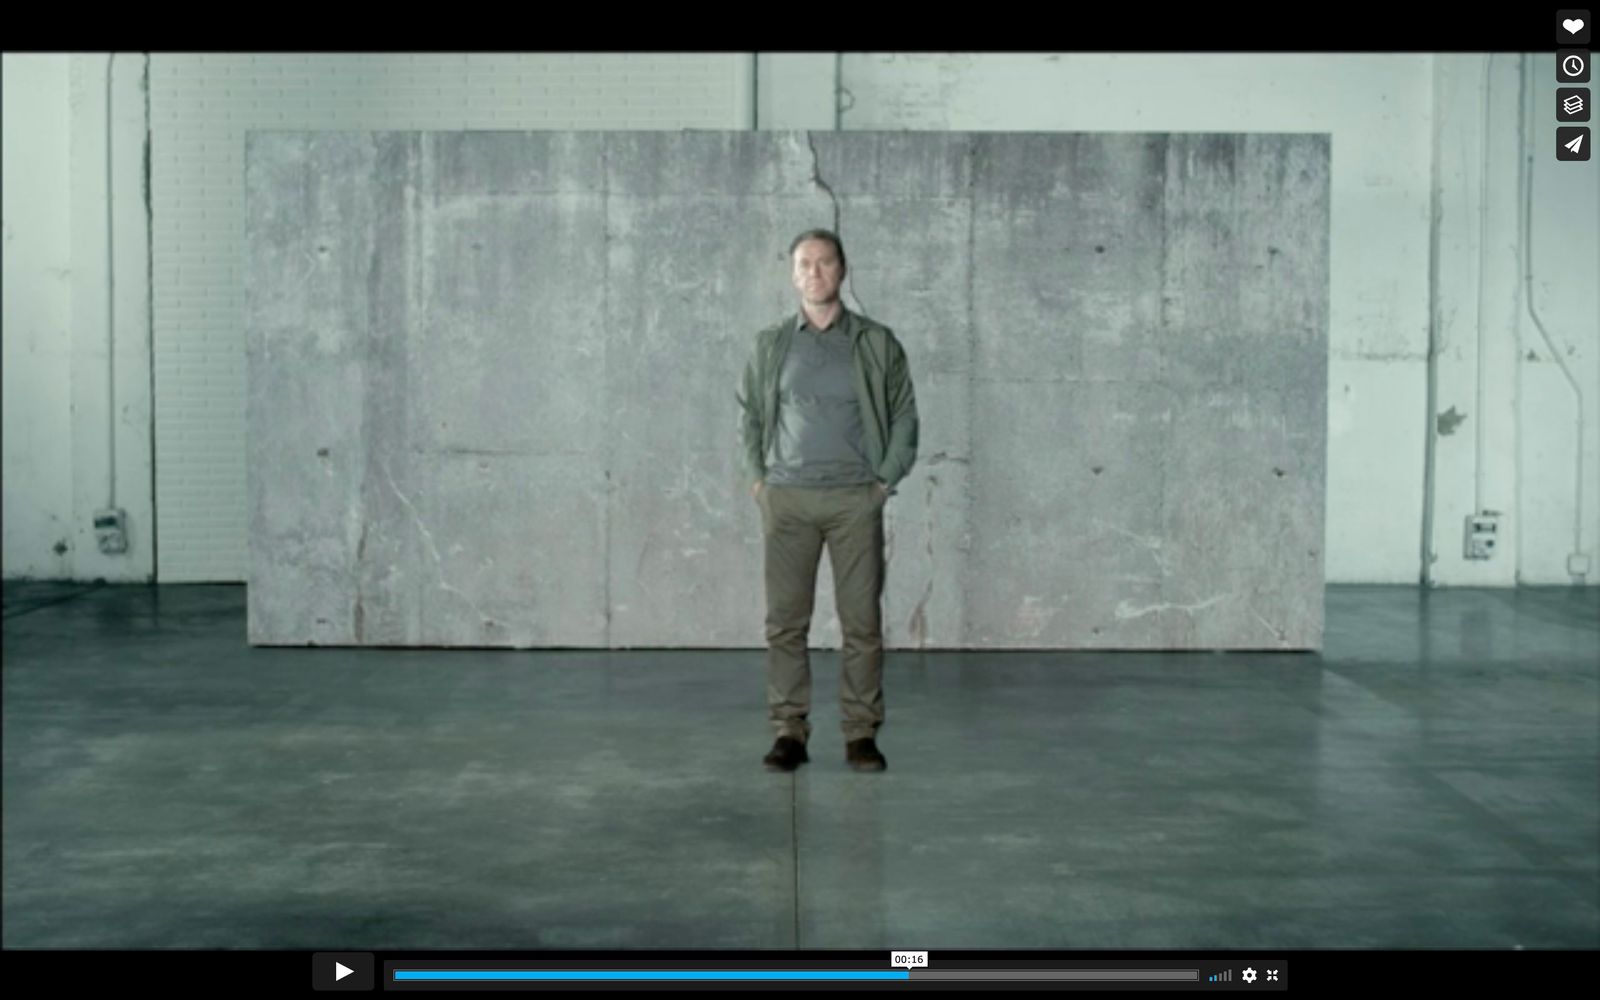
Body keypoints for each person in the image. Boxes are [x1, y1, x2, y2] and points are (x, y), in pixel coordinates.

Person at [736, 229, 918, 773]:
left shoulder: (876, 342)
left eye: (825, 263)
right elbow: (748, 414)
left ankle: (861, 734)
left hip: (853, 500)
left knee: (861, 623)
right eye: (804, 264)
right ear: (793, 274)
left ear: (843, 270)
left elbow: (905, 416)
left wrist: (883, 483)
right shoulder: (772, 344)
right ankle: (789, 730)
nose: (814, 273)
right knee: (785, 623)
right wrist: (758, 482)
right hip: (788, 499)